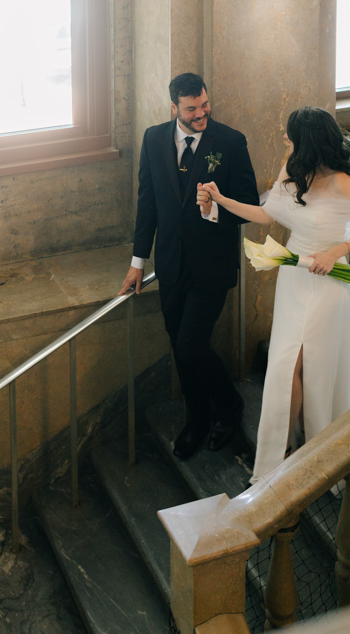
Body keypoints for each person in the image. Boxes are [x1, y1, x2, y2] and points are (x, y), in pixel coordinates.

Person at [198, 106, 350, 483]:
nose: (284, 138)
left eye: (290, 134)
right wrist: (220, 200)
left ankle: (310, 450)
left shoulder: (342, 182)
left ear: (308, 140)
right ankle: (281, 452)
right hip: (295, 280)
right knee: (285, 365)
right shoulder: (292, 169)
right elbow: (266, 215)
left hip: (328, 284)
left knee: (305, 363)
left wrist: (335, 252)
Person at [121, 73, 259, 460]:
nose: (202, 113)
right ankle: (198, 417)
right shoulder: (153, 139)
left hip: (211, 267)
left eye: (204, 105)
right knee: (181, 347)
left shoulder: (230, 142)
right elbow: (147, 204)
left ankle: (229, 406)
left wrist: (213, 207)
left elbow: (248, 204)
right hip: (170, 266)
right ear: (174, 108)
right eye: (192, 109)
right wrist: (137, 262)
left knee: (190, 344)